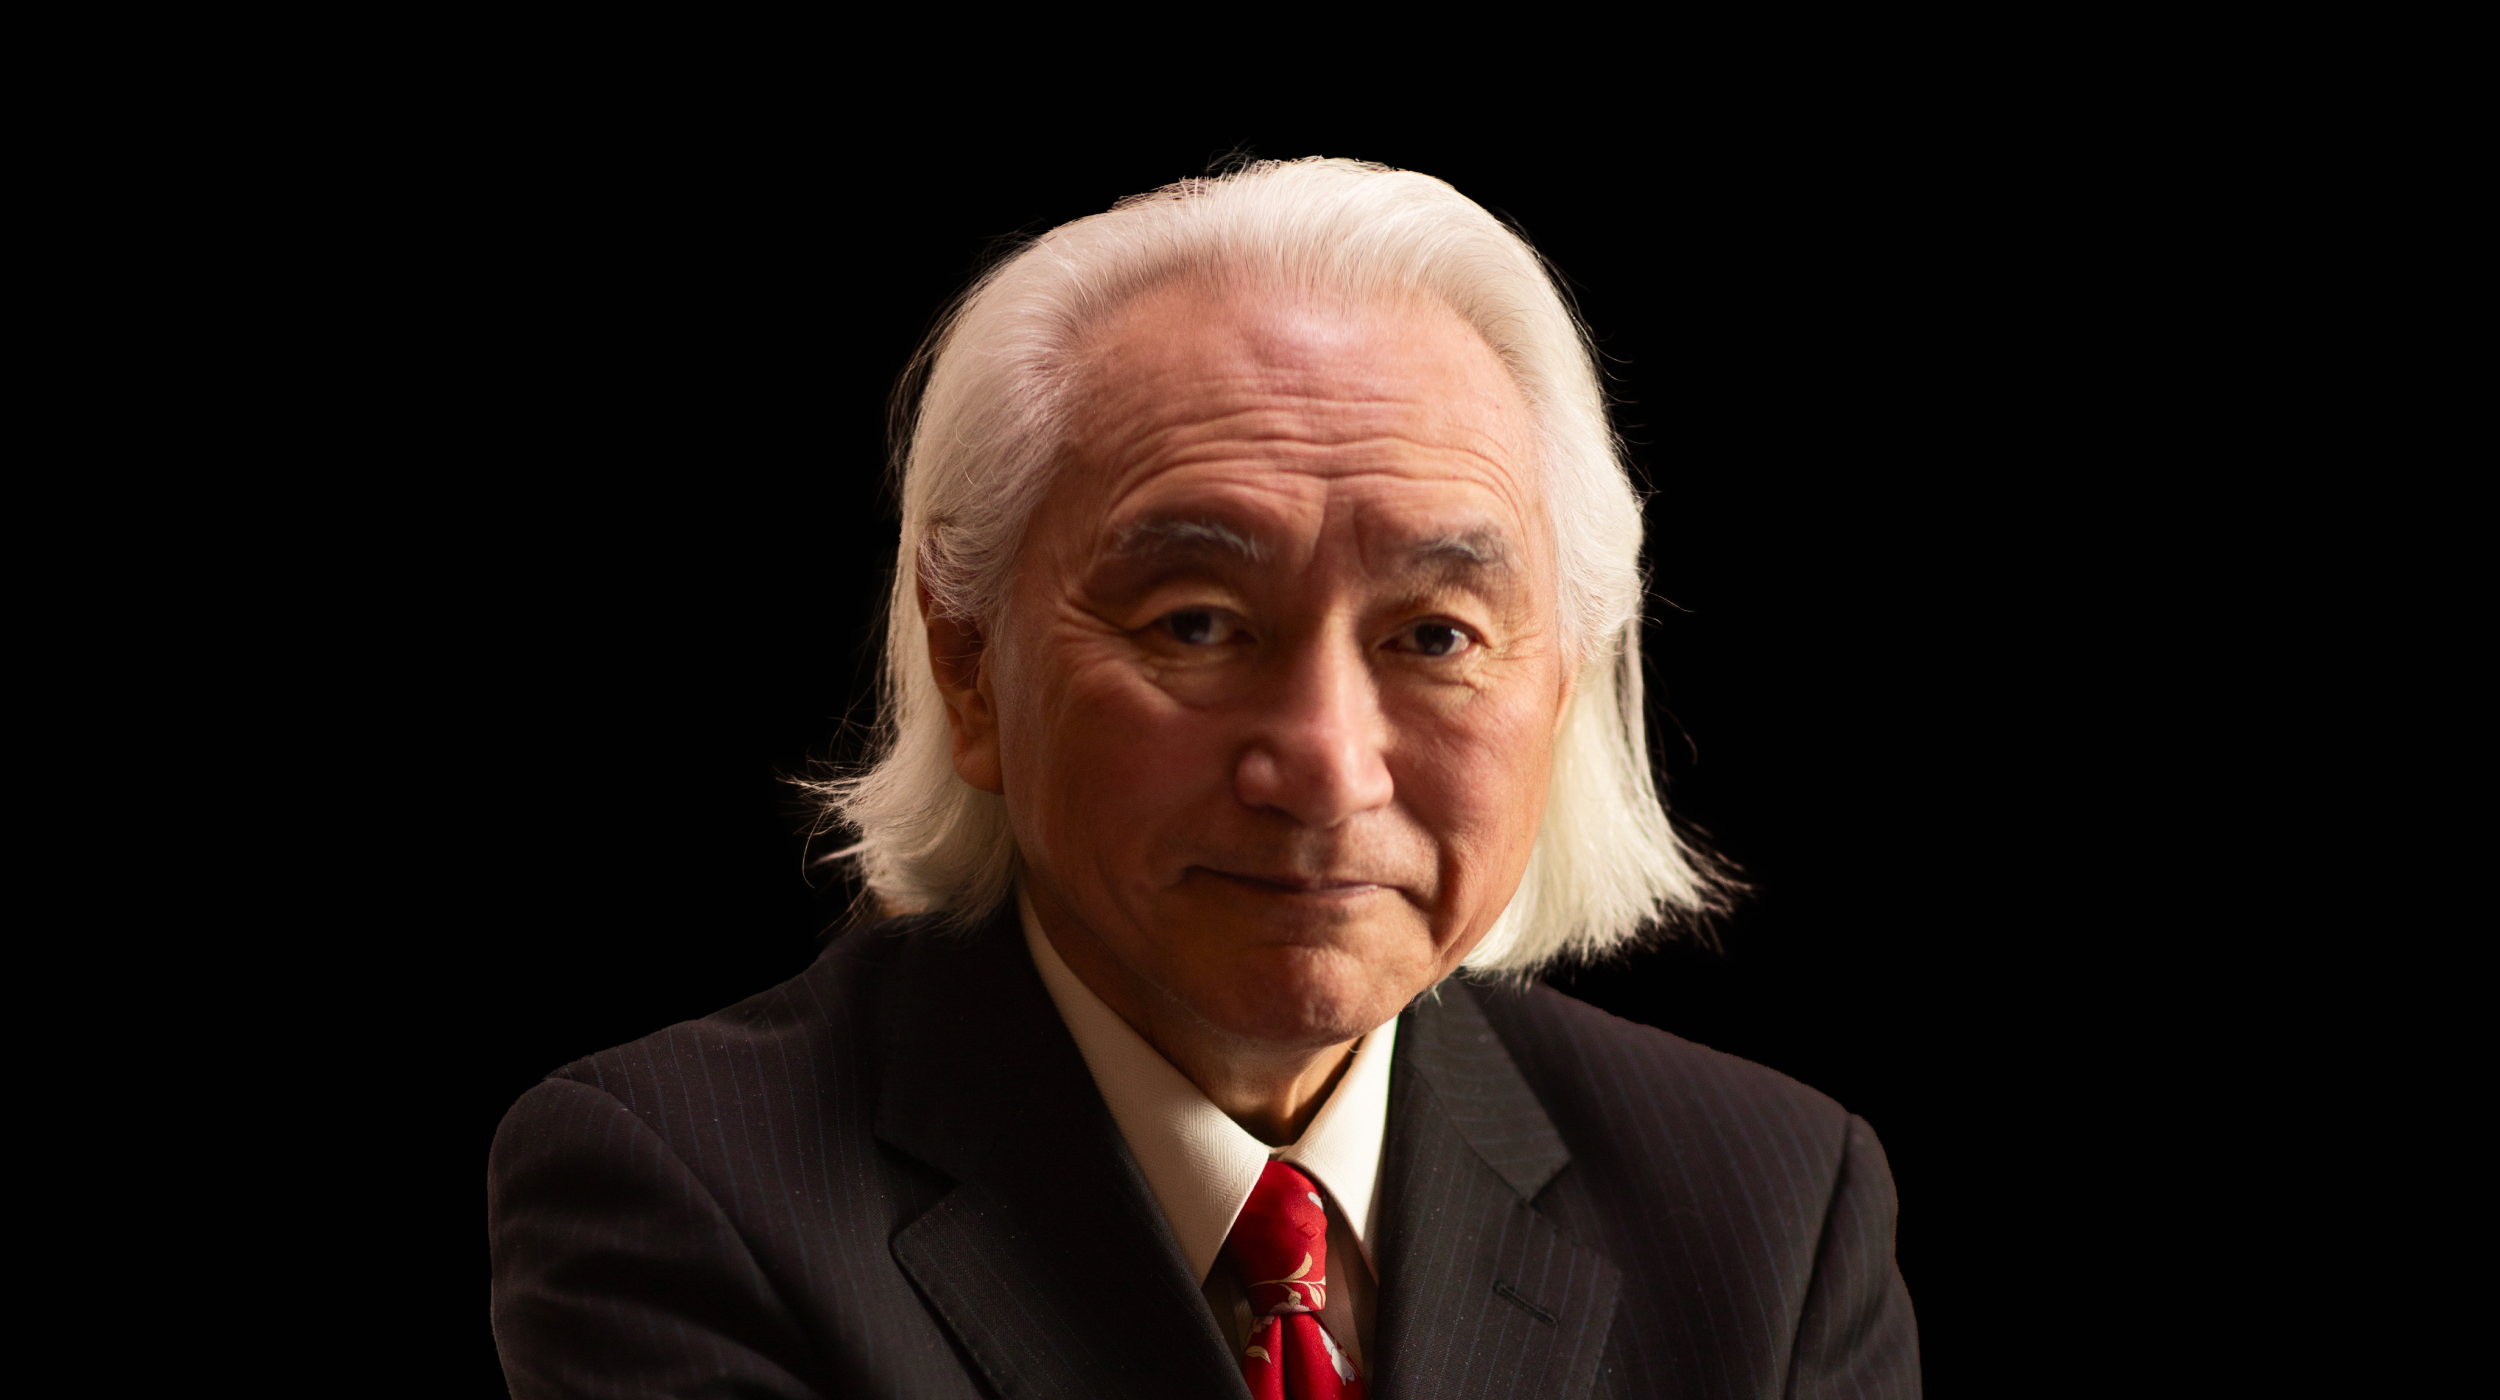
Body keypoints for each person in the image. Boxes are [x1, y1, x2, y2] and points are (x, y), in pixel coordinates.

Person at [489, 157, 1920, 1399]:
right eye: (1197, 625)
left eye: (1434, 635)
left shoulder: (1772, 1205)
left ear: (1563, 682)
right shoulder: (685, 1189)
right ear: (971, 663)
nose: (1322, 767)